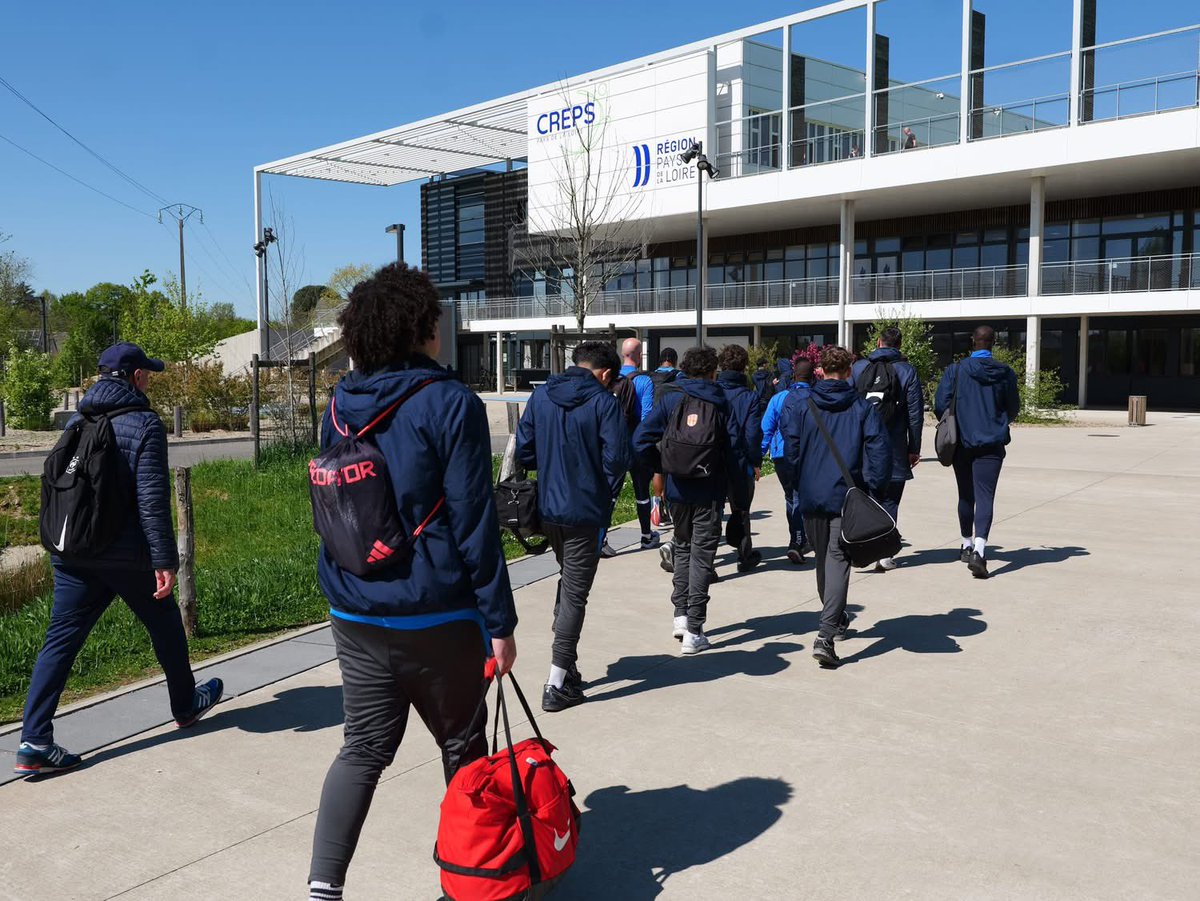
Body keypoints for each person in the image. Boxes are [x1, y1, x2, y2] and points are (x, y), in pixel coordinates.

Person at [308, 265, 518, 901]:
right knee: (463, 747)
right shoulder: (452, 403)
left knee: (363, 748)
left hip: (355, 606)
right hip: (438, 613)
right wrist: (500, 623)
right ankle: (471, 881)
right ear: (423, 328)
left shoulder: (339, 406)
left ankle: (323, 888)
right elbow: (474, 521)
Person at [14, 343, 223, 778]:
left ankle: (34, 738)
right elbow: (151, 500)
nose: (149, 377)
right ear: (134, 377)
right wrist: (165, 560)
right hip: (127, 558)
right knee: (165, 626)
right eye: (146, 372)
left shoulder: (78, 419)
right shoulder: (145, 422)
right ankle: (185, 705)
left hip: (73, 553)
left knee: (60, 640)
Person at [516, 341, 630, 710]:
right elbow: (616, 460)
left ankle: (569, 668)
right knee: (575, 594)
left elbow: (525, 450)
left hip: (547, 509)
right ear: (607, 374)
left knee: (568, 584)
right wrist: (604, 496)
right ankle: (556, 682)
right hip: (585, 513)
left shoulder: (542, 396)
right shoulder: (604, 403)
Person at [783, 345, 891, 669]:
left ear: (821, 370)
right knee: (835, 560)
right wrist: (874, 489)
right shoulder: (862, 408)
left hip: (811, 494)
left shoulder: (804, 406)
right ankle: (826, 635)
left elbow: (791, 450)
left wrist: (796, 483)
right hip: (845, 494)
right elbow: (878, 454)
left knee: (827, 559)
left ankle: (833, 621)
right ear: (848, 371)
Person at [633, 346, 740, 655]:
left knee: (682, 547)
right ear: (712, 372)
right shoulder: (721, 402)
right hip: (710, 488)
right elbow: (734, 451)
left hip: (677, 488)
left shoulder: (670, 400)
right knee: (702, 555)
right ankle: (695, 628)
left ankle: (680, 615)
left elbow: (639, 440)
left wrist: (661, 465)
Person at [934, 325, 1020, 580]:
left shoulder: (956, 370)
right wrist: (996, 420)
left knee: (965, 495)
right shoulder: (1005, 372)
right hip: (991, 442)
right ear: (994, 342)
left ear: (973, 341)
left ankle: (966, 543)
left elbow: (941, 403)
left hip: (961, 441)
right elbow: (1013, 407)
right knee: (986, 496)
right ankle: (980, 550)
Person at [851, 326, 925, 571]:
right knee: (891, 498)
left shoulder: (859, 368)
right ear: (899, 345)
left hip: (862, 446)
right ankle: (884, 554)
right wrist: (914, 447)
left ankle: (863, 546)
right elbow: (915, 415)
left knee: (865, 496)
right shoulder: (907, 371)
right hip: (893, 445)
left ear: (879, 342)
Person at [761, 358, 815, 564]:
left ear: (793, 375)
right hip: (810, 455)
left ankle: (797, 538)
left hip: (782, 455)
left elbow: (766, 429)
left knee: (791, 497)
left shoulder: (779, 398)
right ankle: (802, 540)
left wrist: (757, 458)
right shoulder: (816, 397)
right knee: (805, 497)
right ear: (813, 377)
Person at [715, 345, 763, 571]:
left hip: (712, 460)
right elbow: (753, 433)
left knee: (713, 511)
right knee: (741, 509)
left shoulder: (712, 391)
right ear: (744, 367)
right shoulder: (749, 397)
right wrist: (755, 461)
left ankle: (707, 559)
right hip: (740, 461)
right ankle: (744, 554)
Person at [611, 337, 660, 552]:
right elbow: (648, 415)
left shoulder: (611, 378)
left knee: (611, 492)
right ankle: (645, 535)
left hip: (615, 444)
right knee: (642, 492)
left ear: (623, 354)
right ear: (639, 355)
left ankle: (602, 540)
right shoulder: (644, 381)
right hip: (637, 444)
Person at [648, 347, 679, 531]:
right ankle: (671, 504)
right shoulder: (679, 377)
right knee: (674, 470)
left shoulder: (650, 378)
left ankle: (657, 501)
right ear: (674, 360)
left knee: (658, 468)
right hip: (674, 428)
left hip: (654, 427)